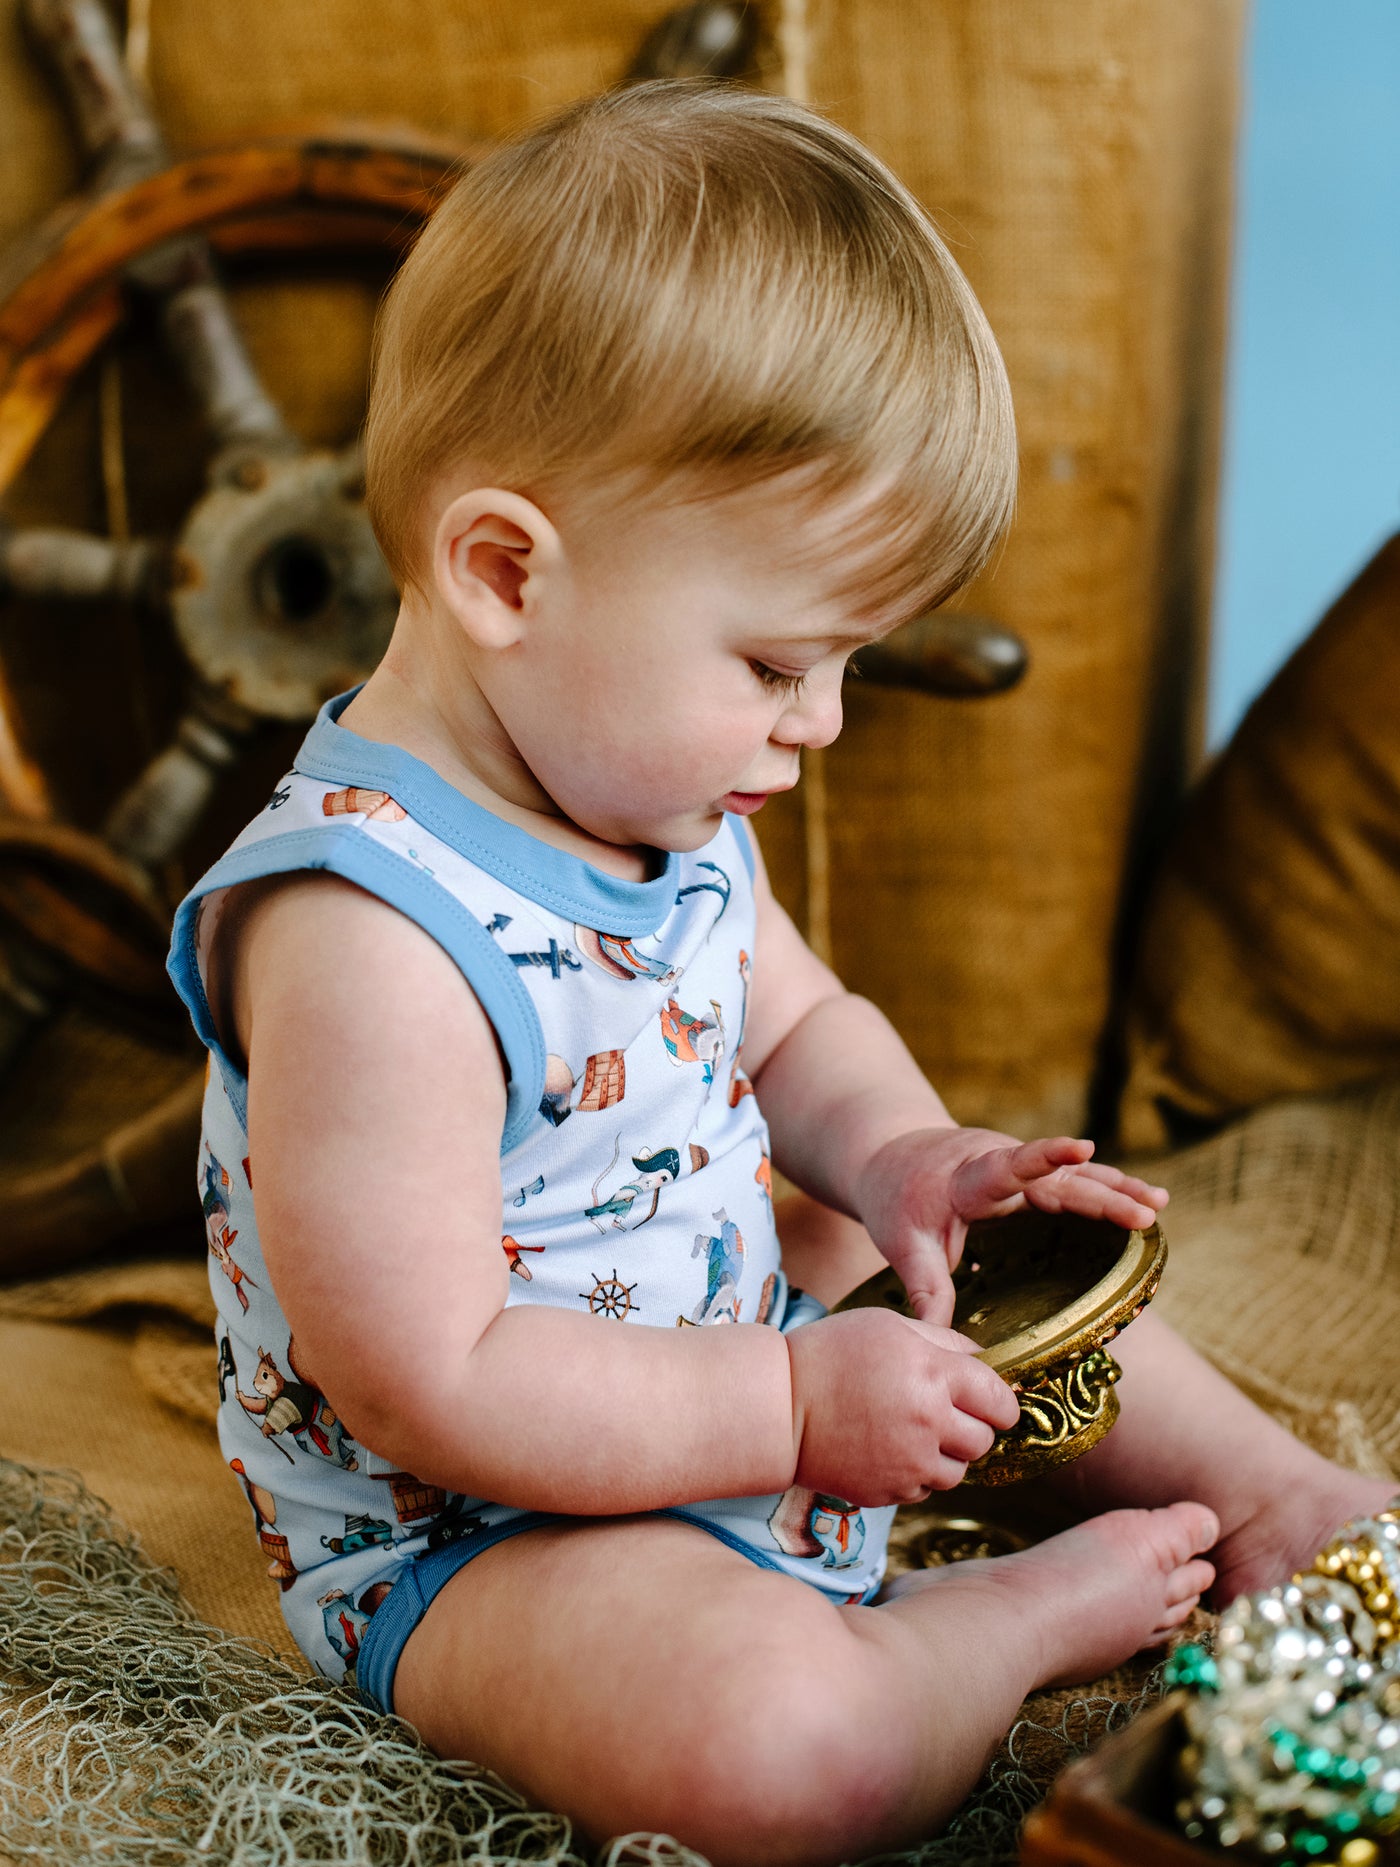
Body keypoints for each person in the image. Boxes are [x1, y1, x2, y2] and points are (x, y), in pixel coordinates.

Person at [167, 81, 1391, 1867]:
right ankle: (994, 1634)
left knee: (979, 1255)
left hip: (739, 1352)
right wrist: (795, 1409)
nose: (813, 727)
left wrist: (902, 1161)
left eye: (844, 669)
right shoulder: (367, 933)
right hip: (488, 1538)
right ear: (505, 569)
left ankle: (1269, 1486)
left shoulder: (643, 793)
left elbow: (798, 1020)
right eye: (773, 663)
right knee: (770, 1755)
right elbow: (427, 1379)